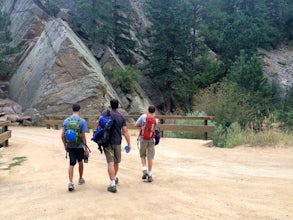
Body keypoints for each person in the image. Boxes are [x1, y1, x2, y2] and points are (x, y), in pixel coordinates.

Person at [103, 99, 131, 193]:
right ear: (118, 106)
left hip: (107, 142)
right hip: (117, 142)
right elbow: (125, 131)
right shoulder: (121, 117)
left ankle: (112, 184)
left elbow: (98, 124)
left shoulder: (105, 114)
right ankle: (114, 178)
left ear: (110, 106)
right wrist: (129, 143)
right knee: (116, 162)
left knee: (110, 163)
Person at [61, 103, 89, 192]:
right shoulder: (82, 121)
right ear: (79, 110)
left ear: (72, 110)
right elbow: (83, 136)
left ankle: (70, 182)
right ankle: (80, 179)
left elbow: (62, 135)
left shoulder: (66, 121)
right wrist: (86, 147)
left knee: (71, 163)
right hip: (79, 146)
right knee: (80, 161)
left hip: (70, 145)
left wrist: (65, 145)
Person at [135, 105, 158, 182]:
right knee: (150, 157)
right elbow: (155, 130)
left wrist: (142, 127)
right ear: (154, 111)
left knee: (142, 155)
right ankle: (150, 174)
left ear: (148, 110)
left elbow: (136, 125)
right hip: (151, 140)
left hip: (142, 139)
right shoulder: (156, 120)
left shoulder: (143, 116)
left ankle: (144, 169)